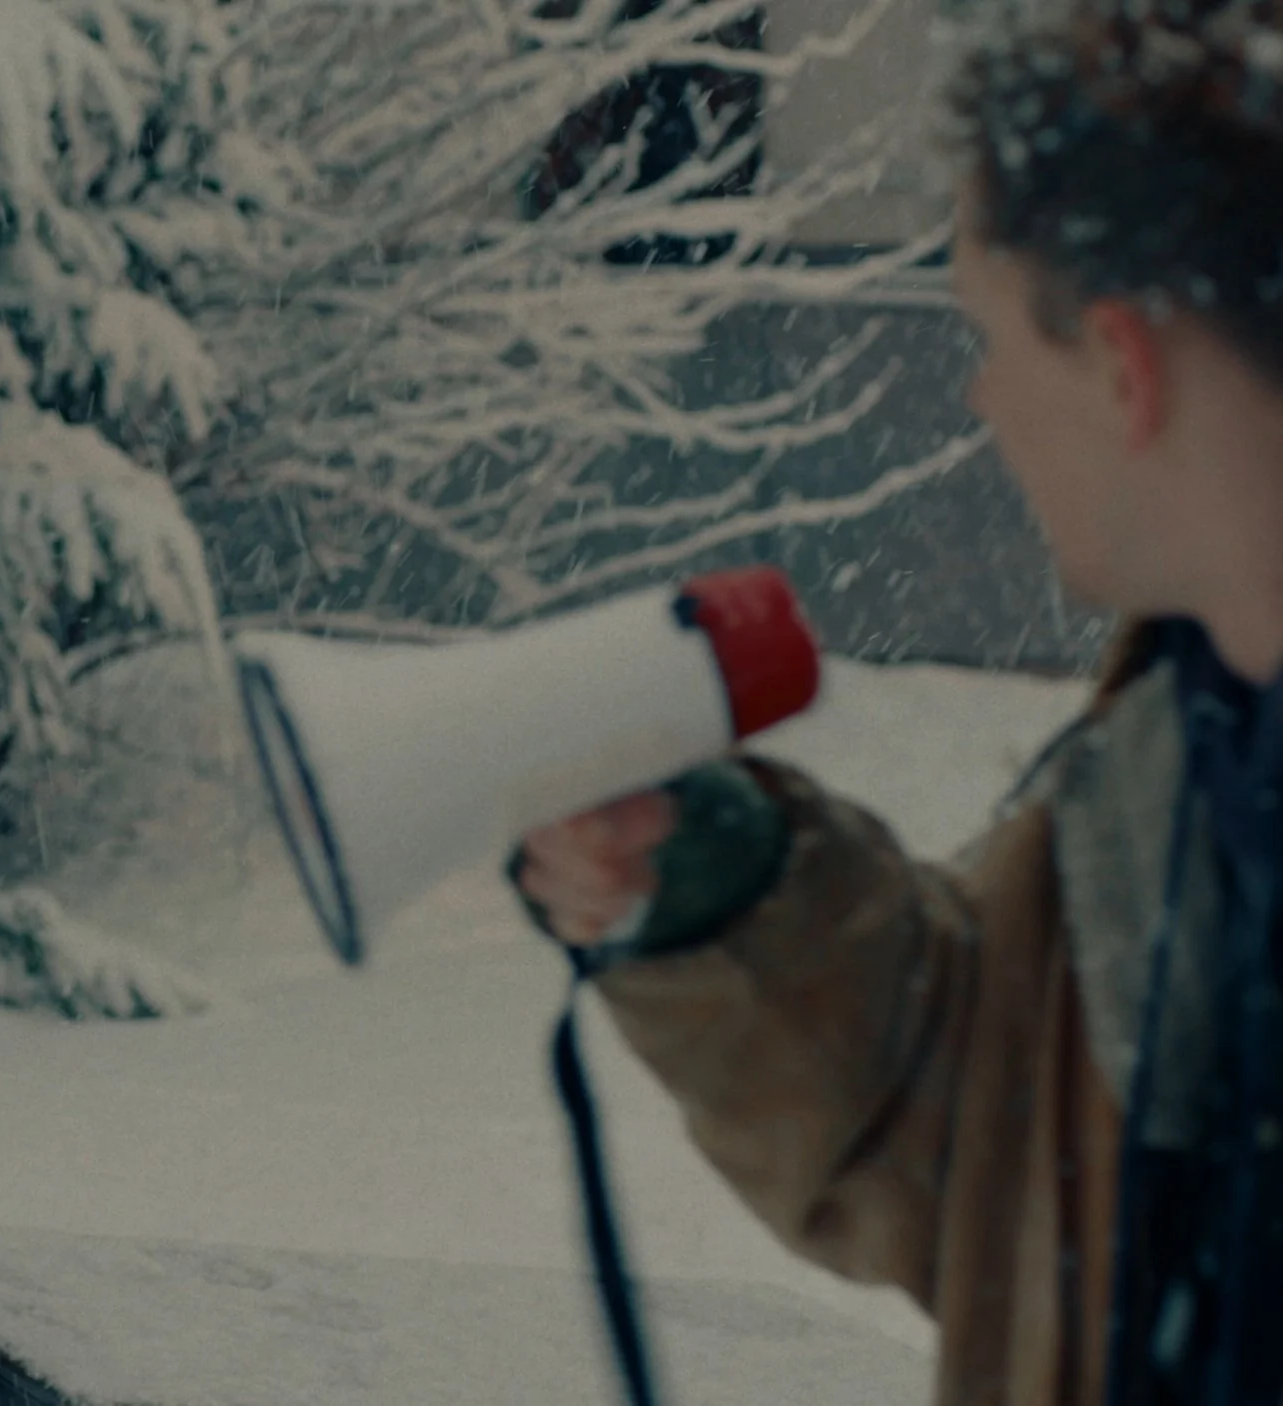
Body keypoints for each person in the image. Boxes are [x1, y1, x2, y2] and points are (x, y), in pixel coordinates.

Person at [508, 3, 1283, 1403]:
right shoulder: (1173, 765)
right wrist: (736, 896)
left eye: (985, 332)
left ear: (1124, 364)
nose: (977, 398)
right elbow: (1008, 1155)